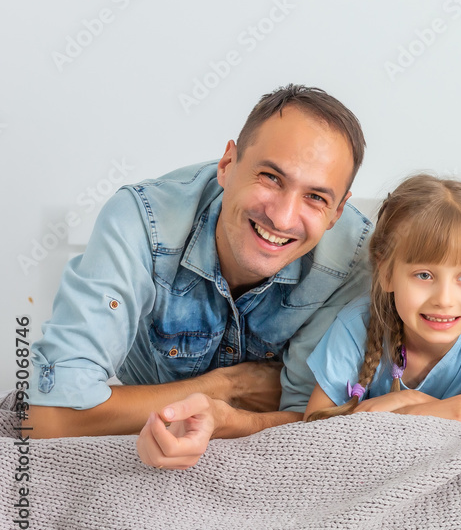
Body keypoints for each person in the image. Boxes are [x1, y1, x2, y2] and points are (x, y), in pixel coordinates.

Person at [27, 84, 372, 451]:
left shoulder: (355, 261)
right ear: (227, 165)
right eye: (271, 177)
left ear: (337, 212)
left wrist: (229, 420)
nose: (283, 218)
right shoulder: (142, 222)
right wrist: (225, 387)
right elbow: (45, 418)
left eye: (315, 197)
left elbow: (310, 422)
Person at [302, 175, 461, 424]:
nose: (444, 300)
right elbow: (314, 429)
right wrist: (410, 405)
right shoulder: (356, 326)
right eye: (424, 275)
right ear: (387, 273)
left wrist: (404, 408)